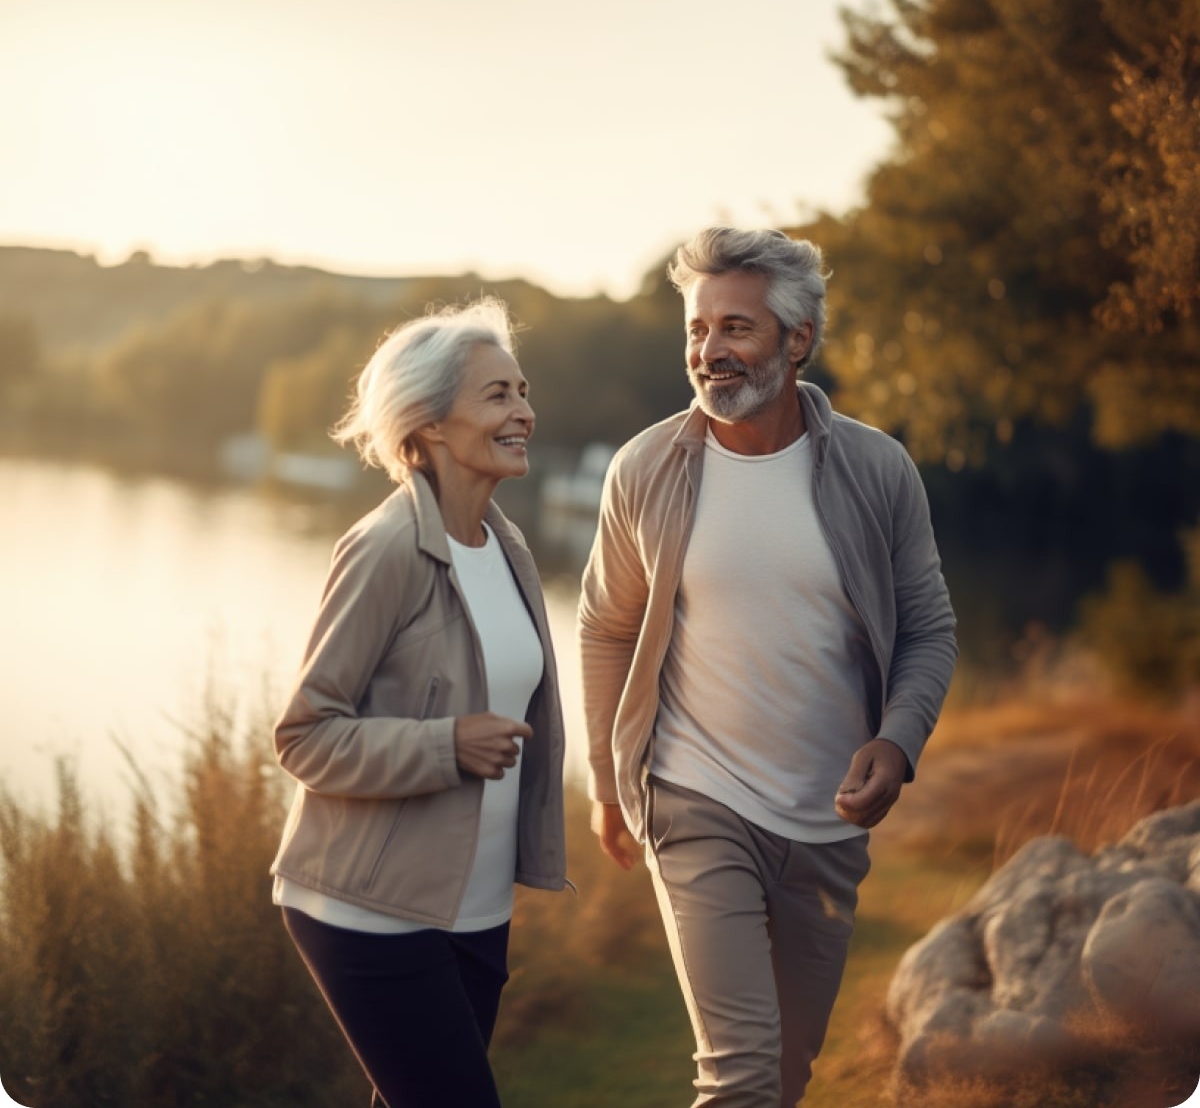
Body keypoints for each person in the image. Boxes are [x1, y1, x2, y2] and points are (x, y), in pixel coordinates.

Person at [579, 226, 957, 1107]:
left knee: (785, 1077)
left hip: (828, 825)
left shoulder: (877, 469)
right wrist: (607, 781)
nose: (709, 352)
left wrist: (897, 744)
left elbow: (930, 629)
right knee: (741, 1075)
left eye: (735, 329)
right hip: (695, 798)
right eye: (697, 331)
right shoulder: (647, 469)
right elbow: (605, 627)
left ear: (798, 340)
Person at [270, 297, 567, 1108]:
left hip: (475, 910)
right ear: (430, 425)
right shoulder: (385, 548)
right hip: (366, 908)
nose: (524, 413)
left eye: (522, 390)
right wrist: (446, 744)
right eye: (497, 396)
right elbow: (304, 736)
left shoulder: (505, 544)